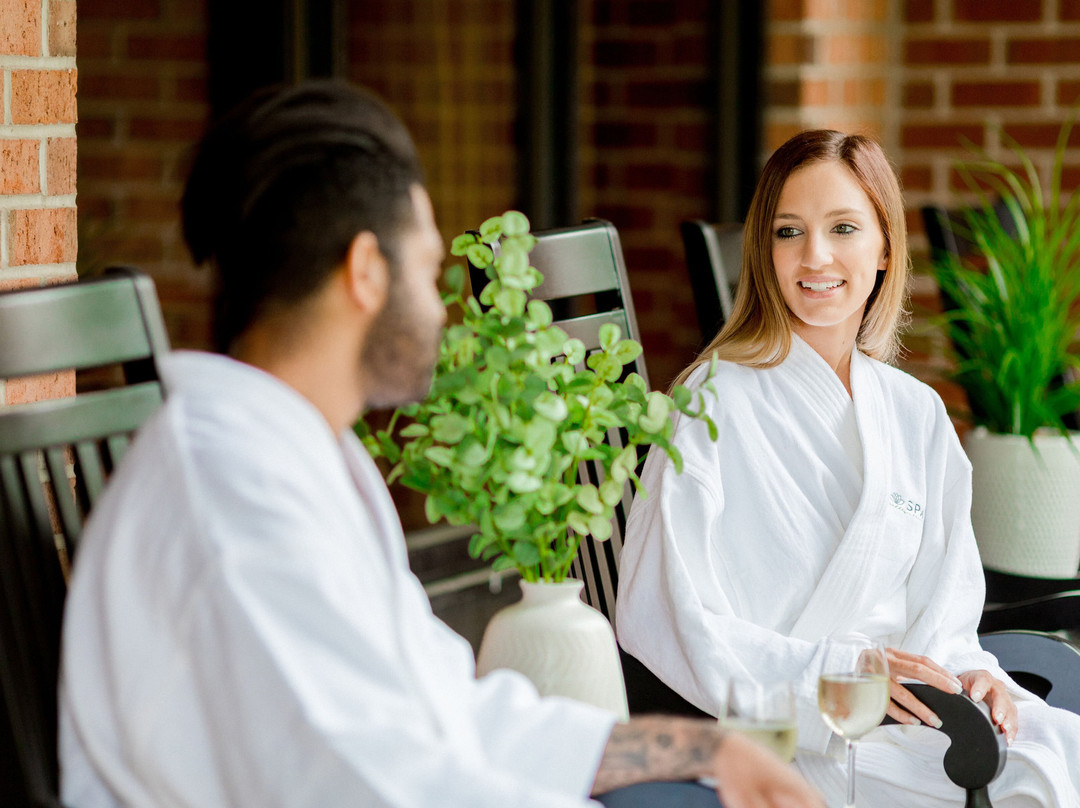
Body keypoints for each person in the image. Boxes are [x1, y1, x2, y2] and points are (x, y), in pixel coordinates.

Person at [57, 81, 823, 808]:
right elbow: (372, 786)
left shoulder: (298, 453)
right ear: (365, 272)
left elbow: (449, 709)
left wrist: (693, 750)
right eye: (426, 271)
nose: (441, 308)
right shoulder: (227, 493)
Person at [615, 129, 1080, 807]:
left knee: (1059, 743)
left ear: (885, 246)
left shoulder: (914, 413)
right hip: (797, 737)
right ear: (763, 250)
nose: (816, 256)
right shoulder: (708, 405)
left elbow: (945, 616)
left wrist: (978, 678)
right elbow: (662, 613)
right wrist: (840, 676)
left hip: (920, 720)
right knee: (1035, 783)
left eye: (843, 228)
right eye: (788, 232)